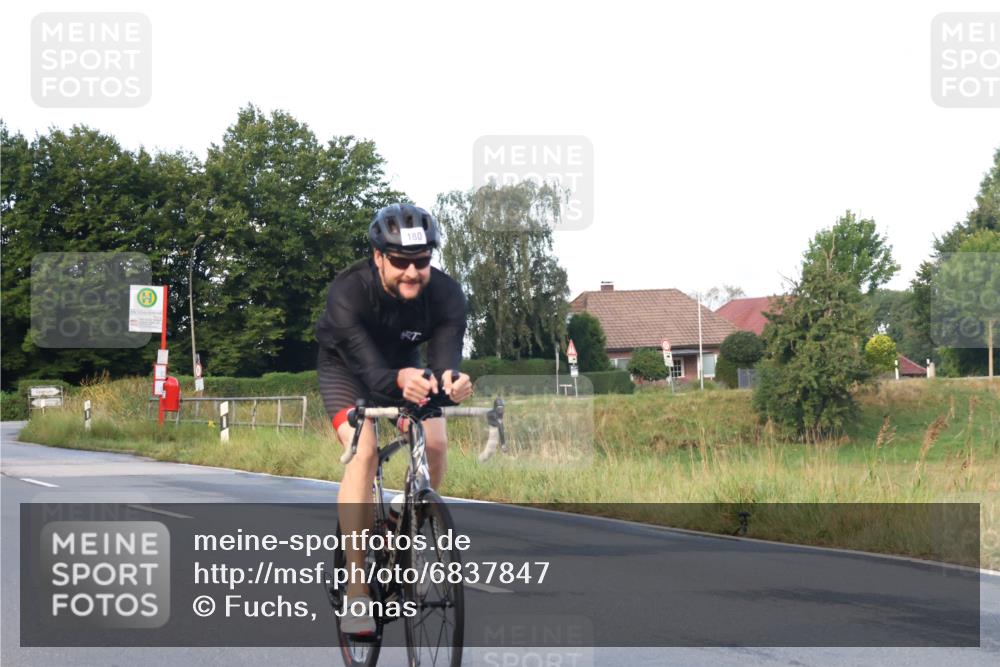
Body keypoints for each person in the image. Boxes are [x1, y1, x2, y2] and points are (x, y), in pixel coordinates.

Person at [314, 203, 473, 635]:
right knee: (364, 453)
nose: (412, 272)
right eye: (401, 261)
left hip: (405, 368)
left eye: (421, 261)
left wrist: (451, 382)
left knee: (435, 443)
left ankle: (403, 521)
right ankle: (357, 589)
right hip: (346, 369)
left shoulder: (446, 295)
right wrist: (402, 379)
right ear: (378, 256)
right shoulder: (349, 291)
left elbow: (444, 362)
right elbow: (369, 372)